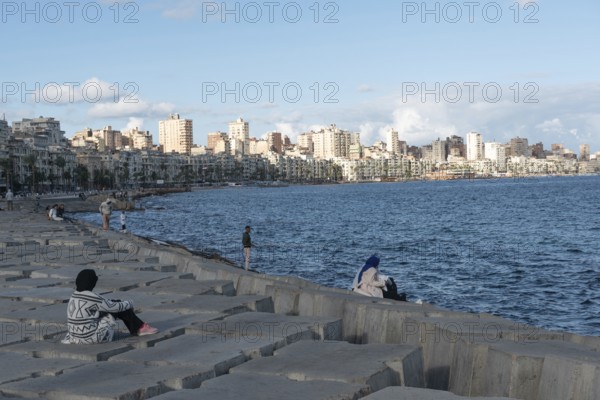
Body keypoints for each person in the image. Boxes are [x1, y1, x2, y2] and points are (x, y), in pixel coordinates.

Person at [62, 269, 158, 344]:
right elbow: (114, 307)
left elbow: (103, 305)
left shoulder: (74, 296)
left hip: (75, 337)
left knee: (114, 304)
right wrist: (130, 303)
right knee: (119, 307)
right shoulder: (91, 297)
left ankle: (139, 327)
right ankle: (140, 328)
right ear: (92, 283)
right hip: (91, 339)